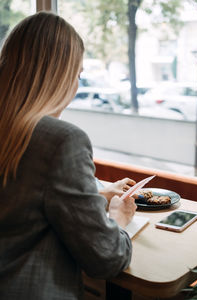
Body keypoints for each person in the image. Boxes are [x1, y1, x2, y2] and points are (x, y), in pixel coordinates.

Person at [0, 11, 137, 300]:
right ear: (60, 77)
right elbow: (106, 258)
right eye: (77, 74)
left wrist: (97, 198)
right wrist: (117, 217)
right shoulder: (63, 140)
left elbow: (22, 209)